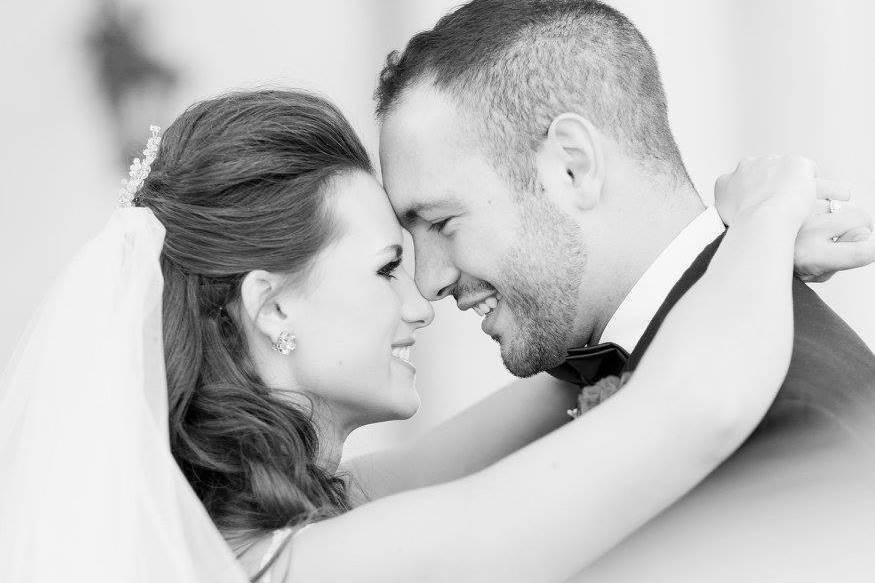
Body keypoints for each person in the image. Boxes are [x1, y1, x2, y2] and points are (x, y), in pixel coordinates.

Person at [0, 88, 872, 583]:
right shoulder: (317, 567)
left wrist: (722, 260)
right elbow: (698, 407)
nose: (421, 297)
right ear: (272, 308)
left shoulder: (304, 520)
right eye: (386, 267)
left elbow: (575, 370)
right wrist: (764, 214)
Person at [374, 1, 875, 575]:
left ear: (572, 166)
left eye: (441, 223)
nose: (428, 281)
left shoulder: (790, 427)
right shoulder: (645, 367)